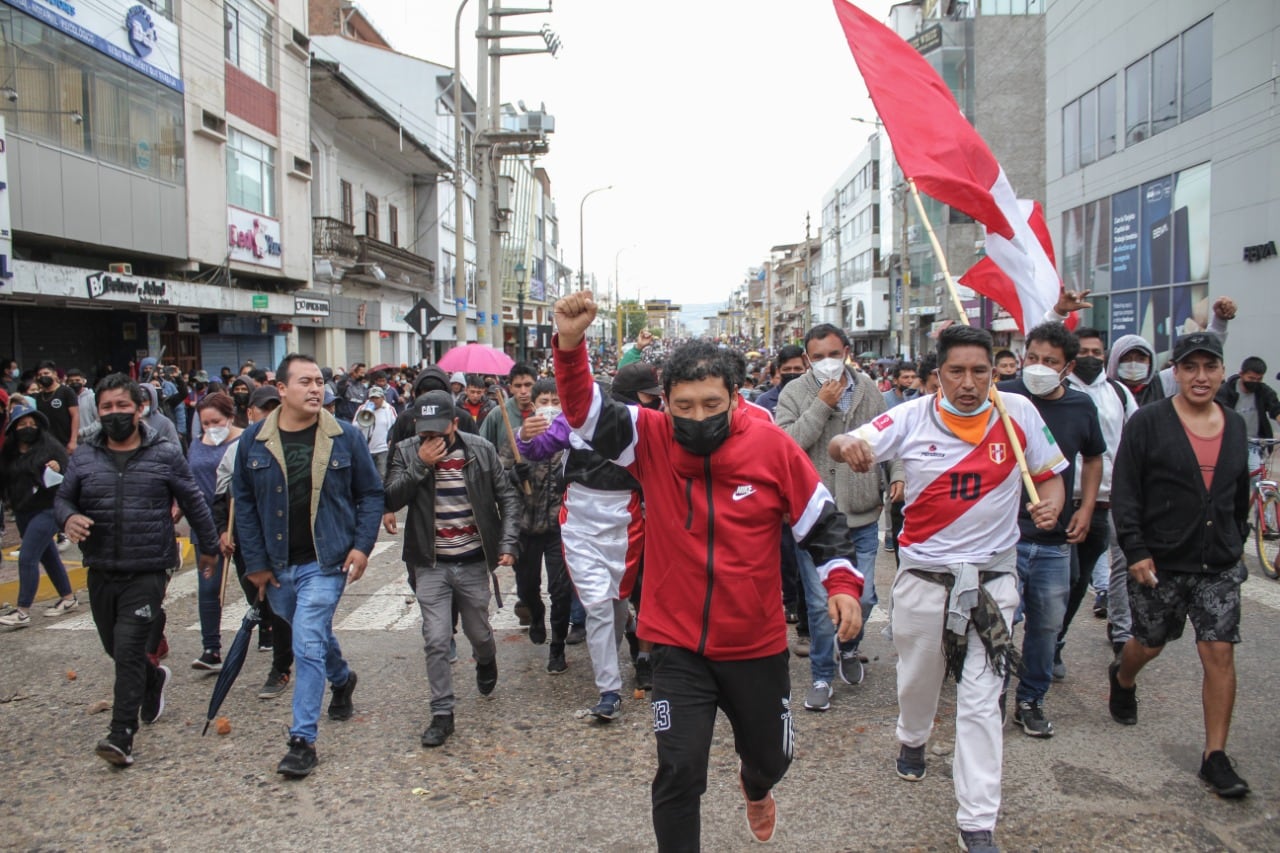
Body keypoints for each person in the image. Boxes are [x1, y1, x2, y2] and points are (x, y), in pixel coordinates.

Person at [553, 291, 864, 850]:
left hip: (755, 643)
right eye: (684, 406)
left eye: (711, 405)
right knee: (678, 772)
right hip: (676, 645)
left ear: (734, 397)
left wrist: (841, 584)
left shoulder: (771, 446)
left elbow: (823, 524)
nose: (697, 418)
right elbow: (585, 412)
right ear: (664, 401)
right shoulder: (648, 437)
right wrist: (571, 344)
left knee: (773, 759)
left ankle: (756, 784)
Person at [830, 324, 1066, 853]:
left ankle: (977, 822)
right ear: (938, 375)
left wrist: (1051, 501)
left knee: (983, 700)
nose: (968, 383)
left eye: (979, 371)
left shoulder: (1018, 414)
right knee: (919, 680)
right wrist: (849, 447)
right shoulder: (912, 416)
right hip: (923, 581)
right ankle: (912, 738)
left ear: (994, 372)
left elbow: (1049, 473)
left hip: (992, 583)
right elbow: (851, 440)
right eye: (956, 372)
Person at [1110, 331, 1252, 799]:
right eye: (1190, 367)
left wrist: (1237, 541)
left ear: (1221, 372)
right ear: (1177, 373)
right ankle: (1123, 677)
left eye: (1210, 367)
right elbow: (1127, 491)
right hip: (1161, 561)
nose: (1201, 377)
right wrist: (1135, 549)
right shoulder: (1149, 422)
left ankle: (1215, 756)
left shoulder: (1234, 424)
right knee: (1148, 644)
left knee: (1219, 651)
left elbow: (1235, 495)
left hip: (1218, 564)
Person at [56, 374, 220, 767]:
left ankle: (121, 735)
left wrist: (210, 548)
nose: (114, 414)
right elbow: (63, 499)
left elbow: (193, 501)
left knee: (129, 647)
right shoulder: (84, 455)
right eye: (107, 407)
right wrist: (69, 519)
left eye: (122, 406)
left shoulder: (164, 452)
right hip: (100, 567)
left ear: (140, 408)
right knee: (116, 649)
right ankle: (153, 679)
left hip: (148, 567)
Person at [233, 354, 384, 779]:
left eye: (319, 381)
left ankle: (302, 740)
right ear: (281, 389)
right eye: (305, 381)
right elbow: (243, 503)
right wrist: (256, 562)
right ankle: (342, 677)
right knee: (311, 634)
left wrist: (361, 546)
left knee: (307, 640)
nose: (316, 388)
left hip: (326, 560)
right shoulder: (253, 441)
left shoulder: (346, 436)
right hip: (278, 566)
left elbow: (371, 494)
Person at [776, 323, 903, 710]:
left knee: (861, 597)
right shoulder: (794, 393)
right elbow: (787, 444)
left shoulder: (869, 391)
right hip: (814, 517)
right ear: (806, 360)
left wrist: (896, 475)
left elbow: (890, 440)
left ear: (846, 352)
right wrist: (822, 404)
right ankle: (821, 674)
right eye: (817, 358)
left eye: (833, 355)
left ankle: (849, 646)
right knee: (818, 603)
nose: (827, 364)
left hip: (862, 513)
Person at [384, 391, 519, 748]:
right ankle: (442, 713)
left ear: (455, 424)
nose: (432, 440)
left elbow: (506, 496)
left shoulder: (480, 449)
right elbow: (391, 497)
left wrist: (507, 544)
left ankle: (486, 659)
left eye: (439, 433)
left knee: (479, 631)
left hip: (473, 559)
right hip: (430, 564)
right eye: (425, 433)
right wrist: (421, 465)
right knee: (436, 637)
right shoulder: (407, 451)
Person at [996, 322, 1105, 738]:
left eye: (1050, 362)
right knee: (1000, 622)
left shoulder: (1081, 407)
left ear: (1068, 367)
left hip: (1056, 540)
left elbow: (1093, 459)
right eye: (1033, 359)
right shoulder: (1003, 397)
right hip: (1007, 537)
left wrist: (1086, 507)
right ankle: (993, 695)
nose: (1038, 368)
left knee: (1046, 626)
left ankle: (1031, 699)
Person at [518, 375, 647, 701]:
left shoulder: (633, 421)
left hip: (623, 526)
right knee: (598, 607)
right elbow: (537, 449)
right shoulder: (568, 422)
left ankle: (629, 627)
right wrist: (524, 436)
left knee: (616, 606)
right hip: (578, 523)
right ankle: (609, 690)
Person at [1053, 326, 1138, 673]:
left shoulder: (1118, 393)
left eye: (1097, 352)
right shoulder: (1058, 390)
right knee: (1056, 580)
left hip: (1101, 504)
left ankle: (1055, 638)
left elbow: (1133, 440)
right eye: (1084, 352)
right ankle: (1042, 642)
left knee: (1078, 581)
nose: (1091, 358)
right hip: (1057, 503)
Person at [214, 383, 293, 697]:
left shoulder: (292, 445)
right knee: (256, 598)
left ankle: (281, 667)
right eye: (265, 408)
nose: (271, 415)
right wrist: (223, 531)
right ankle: (272, 632)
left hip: (282, 538)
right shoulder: (238, 449)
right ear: (250, 413)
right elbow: (221, 496)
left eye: (277, 407)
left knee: (280, 603)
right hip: (247, 539)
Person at [505, 380, 572, 671]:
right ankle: (535, 611)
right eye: (545, 401)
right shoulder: (517, 438)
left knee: (561, 589)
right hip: (527, 527)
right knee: (527, 586)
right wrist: (515, 473)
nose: (550, 407)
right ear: (533, 405)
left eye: (556, 401)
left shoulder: (570, 439)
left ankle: (557, 648)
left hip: (559, 527)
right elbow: (501, 476)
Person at [0, 405, 77, 627]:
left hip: (49, 509)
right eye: (22, 424)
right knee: (48, 555)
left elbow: (68, 471)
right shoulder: (9, 452)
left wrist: (58, 465)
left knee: (27, 557)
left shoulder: (50, 446)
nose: (28, 428)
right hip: (23, 511)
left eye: (32, 424)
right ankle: (68, 598)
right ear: (14, 428)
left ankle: (22, 611)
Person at [186, 392, 244, 672]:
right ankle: (211, 648)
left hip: (239, 524)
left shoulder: (245, 440)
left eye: (216, 421)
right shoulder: (196, 445)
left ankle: (268, 630)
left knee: (254, 584)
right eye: (205, 423)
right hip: (205, 526)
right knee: (209, 587)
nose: (211, 428)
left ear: (230, 417)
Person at [1215, 356, 1280, 474]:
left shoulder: (1263, 391)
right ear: (1241, 374)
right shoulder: (1225, 392)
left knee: (1256, 473)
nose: (1255, 382)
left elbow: (1275, 409)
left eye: (1259, 379)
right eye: (1251, 378)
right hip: (1230, 443)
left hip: (1254, 443)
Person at [33, 360, 79, 451]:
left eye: (46, 373)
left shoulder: (66, 391)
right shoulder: (38, 397)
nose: (43, 376)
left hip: (65, 443)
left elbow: (75, 415)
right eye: (40, 375)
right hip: (46, 444)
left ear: (54, 374)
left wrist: (73, 441)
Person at [357, 385, 396, 479]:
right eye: (372, 398)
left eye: (376, 398)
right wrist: (365, 415)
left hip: (382, 449)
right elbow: (354, 426)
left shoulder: (389, 409)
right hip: (366, 449)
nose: (374, 401)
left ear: (382, 398)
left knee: (382, 476)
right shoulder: (362, 409)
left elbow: (395, 426)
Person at [754, 345, 806, 415]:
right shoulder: (764, 402)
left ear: (806, 369)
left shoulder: (817, 398)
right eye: (787, 369)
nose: (792, 372)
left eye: (798, 369)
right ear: (778, 371)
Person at [66, 368, 98, 442]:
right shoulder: (66, 399)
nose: (74, 383)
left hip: (91, 441)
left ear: (84, 381)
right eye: (71, 381)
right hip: (71, 442)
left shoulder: (92, 398)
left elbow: (99, 422)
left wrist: (81, 432)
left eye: (77, 380)